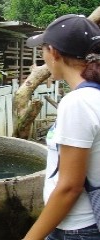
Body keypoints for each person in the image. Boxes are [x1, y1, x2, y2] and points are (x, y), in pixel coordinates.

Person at [23, 14, 100, 240]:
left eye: (43, 49)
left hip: (78, 227)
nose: (42, 57)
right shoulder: (94, 95)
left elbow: (70, 188)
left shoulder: (78, 103)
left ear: (54, 53)